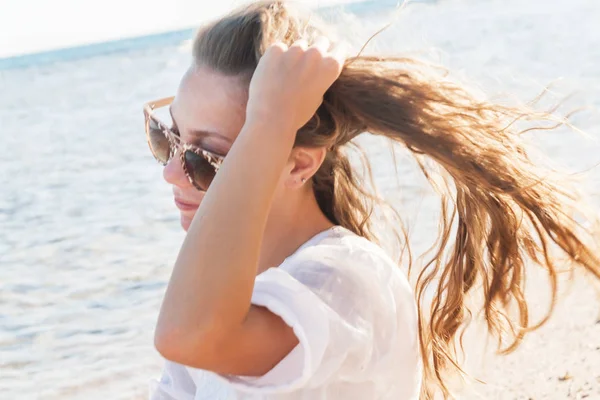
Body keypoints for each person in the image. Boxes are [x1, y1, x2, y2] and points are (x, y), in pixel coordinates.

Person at [142, 1, 600, 399]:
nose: (168, 173)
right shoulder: (233, 289)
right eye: (167, 138)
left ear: (298, 164)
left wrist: (270, 120)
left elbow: (188, 336)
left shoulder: (340, 280)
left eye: (206, 158)